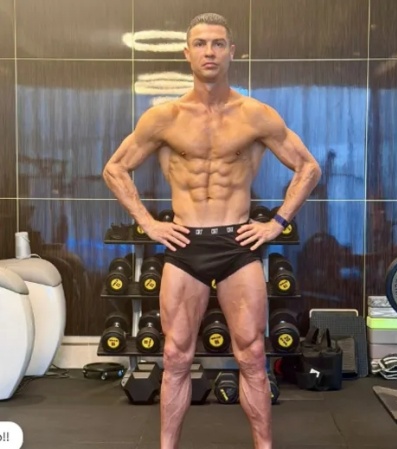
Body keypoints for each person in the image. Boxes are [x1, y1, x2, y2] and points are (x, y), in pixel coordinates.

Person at [102, 12, 321, 449]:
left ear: (231, 52)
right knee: (175, 355)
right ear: (187, 53)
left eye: (218, 44)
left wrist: (276, 223)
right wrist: (148, 223)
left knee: (253, 355)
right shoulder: (164, 117)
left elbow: (308, 167)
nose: (209, 52)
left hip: (237, 243)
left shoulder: (255, 115)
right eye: (200, 44)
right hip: (186, 244)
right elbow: (115, 168)